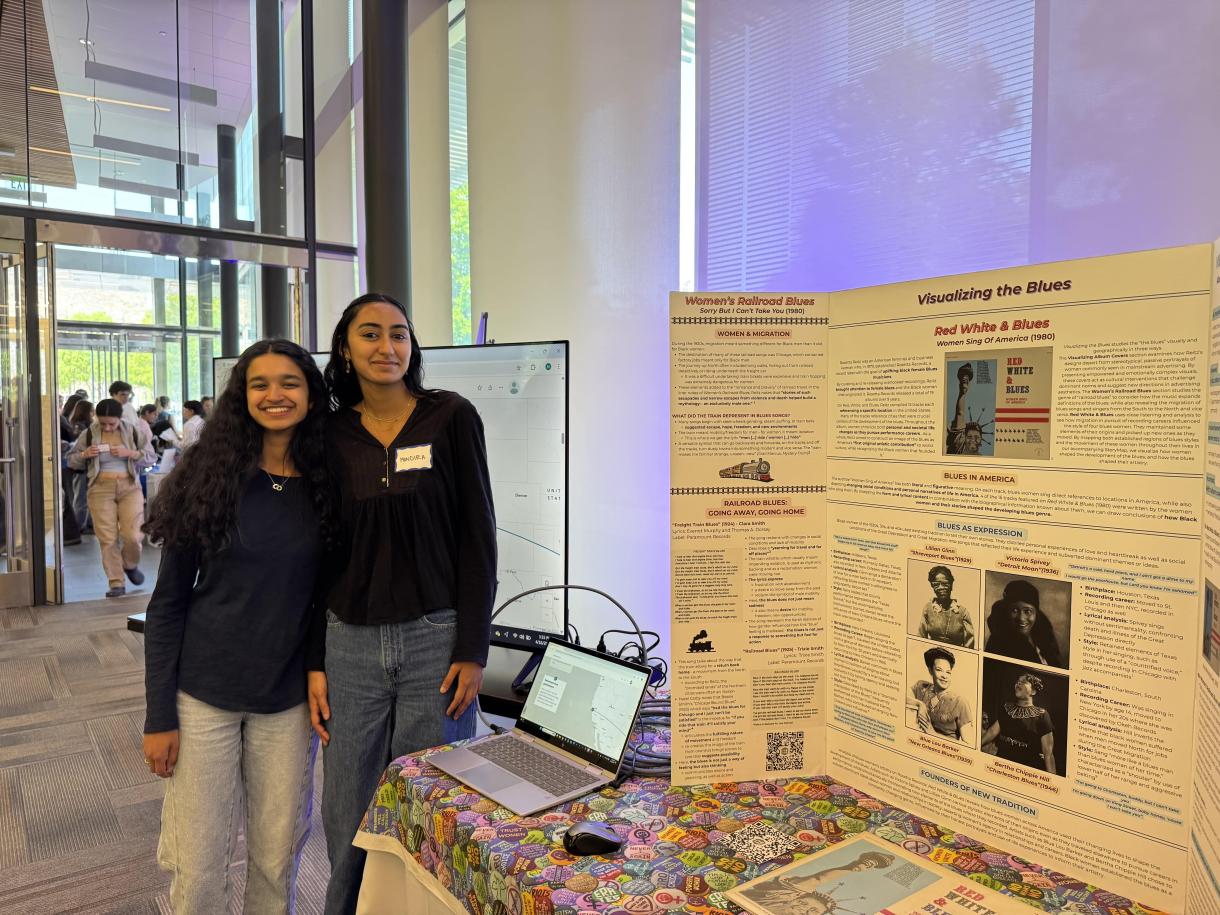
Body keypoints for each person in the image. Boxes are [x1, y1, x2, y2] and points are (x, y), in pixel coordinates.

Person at [316, 292, 497, 914]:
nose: (386, 347)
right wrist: (316, 659)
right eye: (370, 334)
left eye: (399, 334)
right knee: (346, 811)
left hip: (435, 641)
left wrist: (473, 648)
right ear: (346, 348)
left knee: (433, 804)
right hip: (351, 644)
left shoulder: (450, 417)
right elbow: (319, 552)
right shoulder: (330, 433)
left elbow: (479, 538)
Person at [141, 339, 335, 915]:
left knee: (277, 859)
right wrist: (159, 716)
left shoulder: (330, 484)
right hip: (204, 696)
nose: (275, 395)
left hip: (287, 699)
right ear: (241, 395)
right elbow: (167, 605)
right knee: (199, 863)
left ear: (310, 393)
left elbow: (331, 598)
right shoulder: (211, 477)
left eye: (290, 383)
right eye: (260, 384)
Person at [66, 398, 155, 597]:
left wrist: (130, 453)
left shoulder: (132, 431)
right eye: (103, 422)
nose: (107, 427)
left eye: (111, 423)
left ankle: (130, 564)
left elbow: (151, 456)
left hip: (130, 487)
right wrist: (85, 454)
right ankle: (116, 582)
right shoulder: (89, 433)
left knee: (134, 534)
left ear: (120, 418)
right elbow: (71, 460)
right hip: (99, 488)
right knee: (107, 538)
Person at [981, 672, 1057, 774]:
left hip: (1025, 772)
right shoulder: (1006, 708)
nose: (1018, 683)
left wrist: (1053, 781)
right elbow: (992, 732)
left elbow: (1048, 753)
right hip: (1000, 767)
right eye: (1017, 681)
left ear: (1033, 691)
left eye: (1023, 682)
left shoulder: (1042, 716)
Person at [984, 579, 1063, 667]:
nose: (1021, 618)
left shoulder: (1044, 636)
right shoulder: (999, 643)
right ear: (1007, 611)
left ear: (1036, 613)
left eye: (1027, 611)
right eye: (1014, 610)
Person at [910, 646, 973, 744]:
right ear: (930, 671)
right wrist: (919, 704)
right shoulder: (921, 687)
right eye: (939, 670)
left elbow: (969, 745)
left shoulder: (960, 702)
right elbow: (899, 696)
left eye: (948, 672)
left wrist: (933, 734)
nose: (944, 676)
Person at [917, 565, 974, 647]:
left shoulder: (962, 612)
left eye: (945, 584)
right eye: (936, 584)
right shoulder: (928, 608)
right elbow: (920, 639)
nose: (940, 588)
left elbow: (969, 645)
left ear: (951, 585)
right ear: (932, 586)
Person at [67, 399, 94, 532]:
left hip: (82, 467)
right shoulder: (83, 428)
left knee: (82, 498)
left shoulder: (78, 425)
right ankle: (78, 526)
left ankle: (85, 523)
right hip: (81, 467)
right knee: (80, 498)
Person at [946, 363, 984, 455]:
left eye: (976, 437)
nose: (973, 440)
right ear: (963, 438)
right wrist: (962, 393)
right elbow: (960, 413)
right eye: (970, 437)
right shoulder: (959, 447)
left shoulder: (982, 459)